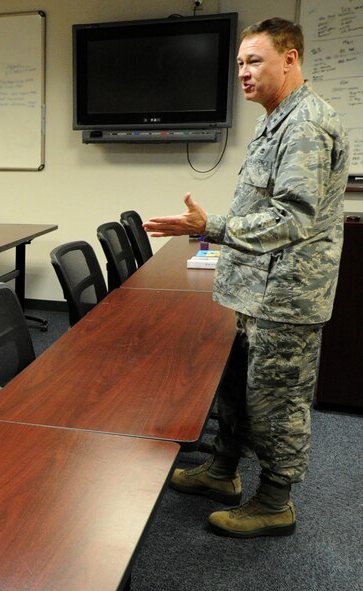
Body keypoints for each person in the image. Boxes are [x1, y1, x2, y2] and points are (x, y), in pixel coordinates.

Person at [143, 18, 349, 538]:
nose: (243, 73)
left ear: (291, 58)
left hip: (286, 297)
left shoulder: (305, 125)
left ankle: (275, 502)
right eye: (239, 63)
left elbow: (293, 219)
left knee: (276, 402)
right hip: (255, 290)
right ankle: (222, 472)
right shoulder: (275, 117)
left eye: (255, 60)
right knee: (237, 388)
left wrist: (210, 225)